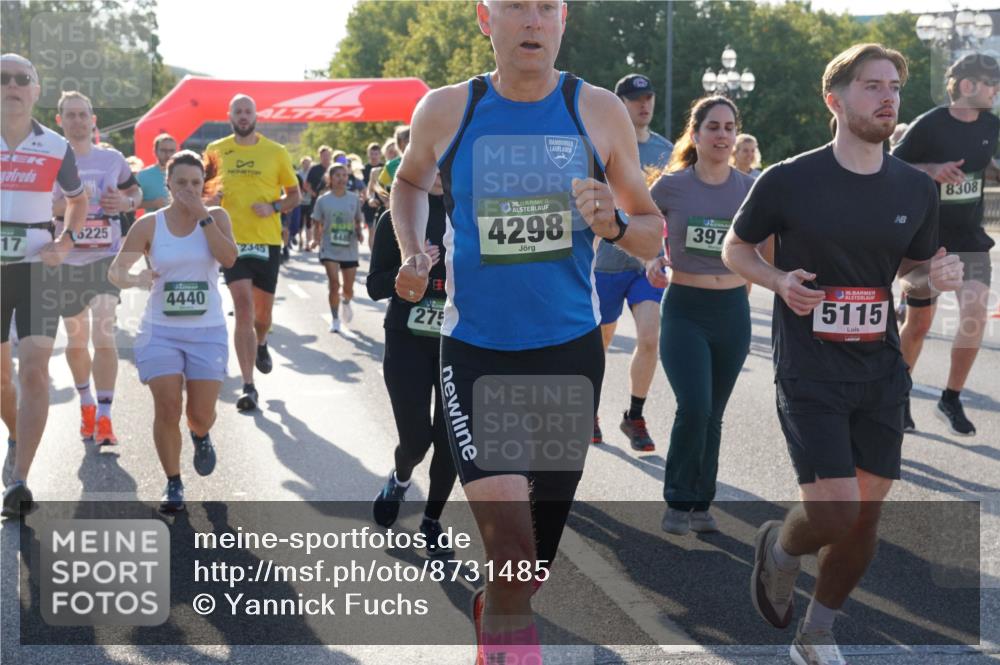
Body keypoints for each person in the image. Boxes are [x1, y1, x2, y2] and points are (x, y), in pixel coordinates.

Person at [390, 2, 662, 661]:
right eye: (517, 6)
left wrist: (617, 226)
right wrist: (414, 250)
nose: (532, 21)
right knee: (510, 549)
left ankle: (500, 608)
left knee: (529, 566)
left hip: (568, 351)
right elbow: (408, 183)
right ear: (487, 19)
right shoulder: (447, 109)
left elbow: (652, 228)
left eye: (547, 7)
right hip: (479, 352)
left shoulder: (596, 110)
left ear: (563, 21)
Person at [722, 43, 963, 664]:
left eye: (895, 88)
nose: (888, 98)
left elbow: (909, 276)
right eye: (872, 86)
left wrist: (933, 279)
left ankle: (818, 631)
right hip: (810, 366)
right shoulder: (790, 179)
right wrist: (777, 281)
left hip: (880, 368)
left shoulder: (914, 186)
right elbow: (736, 249)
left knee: (863, 518)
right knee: (833, 511)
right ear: (835, 100)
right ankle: (779, 548)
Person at [650, 96, 758, 535]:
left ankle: (701, 503)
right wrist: (651, 259)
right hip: (685, 309)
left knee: (714, 412)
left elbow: (764, 246)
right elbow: (641, 228)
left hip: (732, 311)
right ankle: (677, 498)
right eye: (713, 126)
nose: (723, 135)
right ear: (695, 135)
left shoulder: (749, 189)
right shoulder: (671, 187)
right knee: (693, 406)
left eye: (730, 127)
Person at [109, 150, 238, 512]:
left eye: (196, 183)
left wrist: (203, 218)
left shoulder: (216, 216)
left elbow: (229, 259)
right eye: (181, 183)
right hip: (160, 331)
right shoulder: (150, 224)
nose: (189, 189)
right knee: (167, 407)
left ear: (204, 185)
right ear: (167, 185)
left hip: (207, 331)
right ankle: (173, 482)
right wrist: (135, 278)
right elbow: (116, 272)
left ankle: (201, 434)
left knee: (200, 414)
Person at [892, 53, 999, 436]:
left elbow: (985, 163)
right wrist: (932, 171)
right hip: (928, 239)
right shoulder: (928, 125)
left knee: (974, 316)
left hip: (970, 237)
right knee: (919, 323)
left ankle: (950, 397)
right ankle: (899, 395)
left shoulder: (991, 124)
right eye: (991, 83)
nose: (996, 90)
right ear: (967, 85)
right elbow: (892, 166)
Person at [1, 53, 88, 517]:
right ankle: (15, 433)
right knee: (0, 380)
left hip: (37, 265)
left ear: (35, 91)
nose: (12, 86)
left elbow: (77, 199)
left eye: (22, 79)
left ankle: (19, 481)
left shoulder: (56, 146)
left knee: (33, 370)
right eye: (3, 79)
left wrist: (67, 238)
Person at [367, 174, 457, 557]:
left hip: (460, 343)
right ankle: (401, 478)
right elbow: (374, 285)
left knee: (451, 439)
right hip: (407, 341)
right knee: (417, 440)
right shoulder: (396, 217)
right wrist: (406, 272)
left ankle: (432, 520)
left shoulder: (468, 212)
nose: (437, 170)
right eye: (429, 160)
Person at [52, 91, 142, 447]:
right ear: (60, 121)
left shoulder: (112, 159)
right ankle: (86, 403)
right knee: (76, 340)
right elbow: (45, 204)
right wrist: (68, 206)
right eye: (69, 115)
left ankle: (105, 416)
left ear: (93, 120)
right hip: (69, 258)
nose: (77, 120)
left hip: (106, 257)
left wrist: (124, 201)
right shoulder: (53, 157)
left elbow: (136, 195)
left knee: (103, 334)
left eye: (82, 114)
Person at [593, 73, 674, 450]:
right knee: (601, 342)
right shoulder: (603, 144)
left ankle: (634, 415)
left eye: (649, 97)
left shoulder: (665, 150)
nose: (644, 104)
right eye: (635, 98)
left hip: (646, 263)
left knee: (650, 336)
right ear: (620, 103)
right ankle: (588, 410)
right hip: (604, 263)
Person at [205, 94, 300, 412]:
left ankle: (261, 342)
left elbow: (294, 195)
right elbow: (203, 192)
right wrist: (212, 198)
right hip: (232, 242)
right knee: (243, 309)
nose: (243, 116)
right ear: (229, 114)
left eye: (248, 111)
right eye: (238, 111)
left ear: (255, 115)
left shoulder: (276, 152)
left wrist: (273, 206)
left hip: (267, 241)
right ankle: (248, 385)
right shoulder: (215, 150)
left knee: (263, 315)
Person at [312, 163, 364, 332]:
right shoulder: (323, 200)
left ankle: (346, 301)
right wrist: (315, 239)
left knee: (348, 288)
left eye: (344, 175)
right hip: (329, 247)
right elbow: (317, 222)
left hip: (349, 247)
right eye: (337, 175)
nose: (341, 179)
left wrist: (360, 232)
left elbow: (358, 220)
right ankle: (335, 319)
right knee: (334, 284)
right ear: (330, 178)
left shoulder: (353, 199)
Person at [136, 133, 178, 211]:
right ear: (155, 152)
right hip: (153, 222)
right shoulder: (143, 176)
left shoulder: (184, 174)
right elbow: (130, 205)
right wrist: (153, 203)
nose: (168, 154)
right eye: (163, 150)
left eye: (171, 151)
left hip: (181, 222)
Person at [361, 142, 385, 250]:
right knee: (371, 229)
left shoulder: (385, 168)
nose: (374, 156)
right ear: (368, 154)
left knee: (382, 230)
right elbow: (362, 187)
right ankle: (372, 255)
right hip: (369, 202)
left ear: (380, 154)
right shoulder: (364, 169)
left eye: (376, 154)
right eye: (372, 154)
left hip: (384, 202)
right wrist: (368, 198)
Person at [377, 125, 409, 192]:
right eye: (406, 141)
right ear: (399, 143)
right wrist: (388, 200)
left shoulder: (424, 161)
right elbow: (379, 187)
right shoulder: (391, 165)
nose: (409, 144)